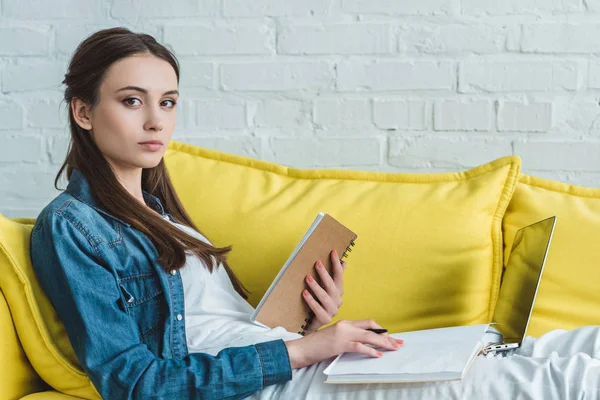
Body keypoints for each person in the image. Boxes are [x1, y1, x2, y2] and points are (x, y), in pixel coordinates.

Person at [30, 27, 600, 400]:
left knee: (553, 348)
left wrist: (305, 321)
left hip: (279, 361)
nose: (156, 121)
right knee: (526, 381)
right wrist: (303, 348)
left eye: (168, 102)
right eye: (132, 101)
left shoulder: (162, 211)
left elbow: (218, 325)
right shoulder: (73, 226)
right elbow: (136, 384)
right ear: (83, 110)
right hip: (263, 383)